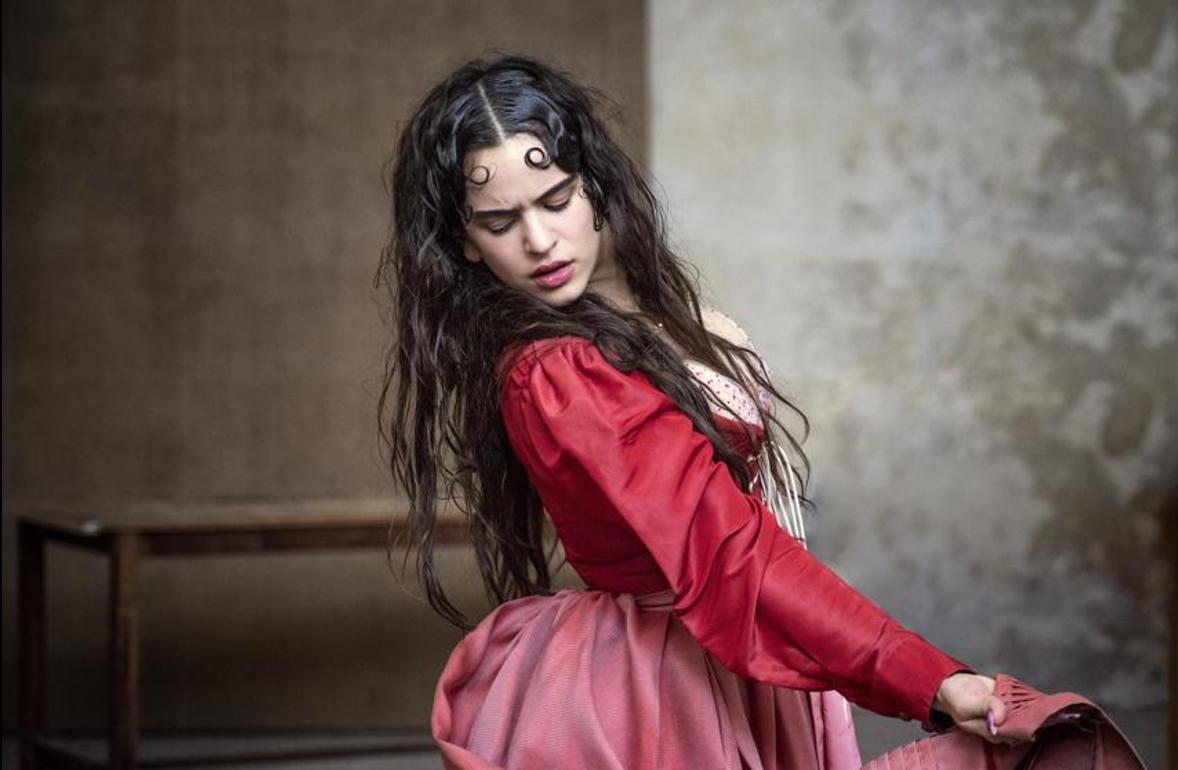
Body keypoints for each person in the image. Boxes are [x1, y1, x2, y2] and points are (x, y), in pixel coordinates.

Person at [378, 55, 1010, 768]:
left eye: (555, 201)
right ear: (464, 241)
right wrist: (929, 678)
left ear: (593, 186)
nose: (539, 241)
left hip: (740, 652)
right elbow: (728, 548)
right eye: (501, 221)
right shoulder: (557, 371)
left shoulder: (641, 315)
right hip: (657, 691)